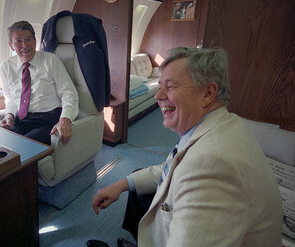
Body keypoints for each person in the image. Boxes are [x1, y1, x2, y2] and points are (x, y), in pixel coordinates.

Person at [91, 47, 283, 247]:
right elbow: (170, 167)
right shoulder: (221, 123)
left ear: (208, 93)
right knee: (137, 179)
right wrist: (120, 184)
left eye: (171, 87)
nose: (158, 96)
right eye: (160, 86)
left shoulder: (212, 164)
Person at [0, 21, 79, 145]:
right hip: (20, 120)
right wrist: (9, 115)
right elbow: (10, 99)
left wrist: (65, 118)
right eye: (18, 41)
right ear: (11, 45)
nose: (24, 45)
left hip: (47, 120)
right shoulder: (6, 66)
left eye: (28, 39)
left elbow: (69, 93)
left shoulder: (51, 61)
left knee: (21, 148)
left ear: (35, 41)